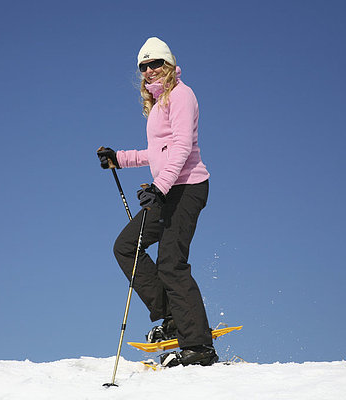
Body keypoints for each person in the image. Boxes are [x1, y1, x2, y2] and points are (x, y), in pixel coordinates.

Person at [97, 37, 217, 367]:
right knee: (125, 246)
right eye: (144, 66)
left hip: (187, 188)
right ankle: (172, 318)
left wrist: (159, 187)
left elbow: (181, 147)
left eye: (156, 64)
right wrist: (119, 158)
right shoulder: (158, 103)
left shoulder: (182, 95)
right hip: (166, 190)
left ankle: (199, 347)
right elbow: (157, 152)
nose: (150, 71)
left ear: (168, 65)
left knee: (171, 263)